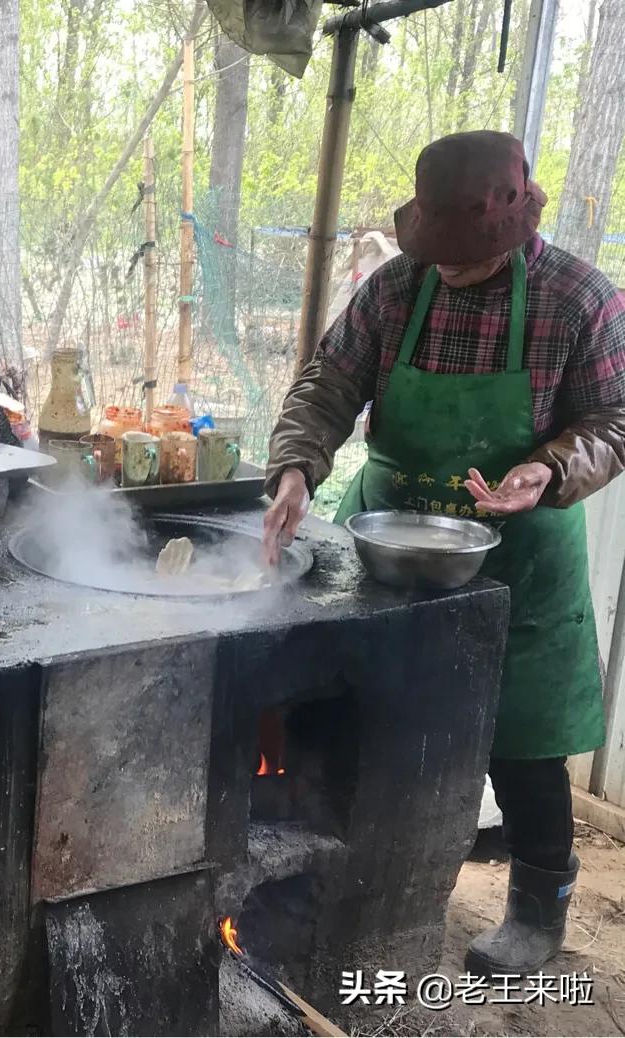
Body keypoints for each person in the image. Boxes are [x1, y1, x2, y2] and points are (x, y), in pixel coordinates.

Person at [261, 130, 625, 975]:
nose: (447, 270)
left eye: (466, 256)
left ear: (514, 220)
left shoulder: (580, 298)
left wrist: (547, 465)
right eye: (436, 252)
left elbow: (613, 419)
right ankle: (357, 875)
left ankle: (538, 907)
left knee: (524, 741)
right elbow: (327, 384)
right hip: (386, 547)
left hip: (522, 552)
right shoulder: (395, 288)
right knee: (360, 711)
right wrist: (293, 469)